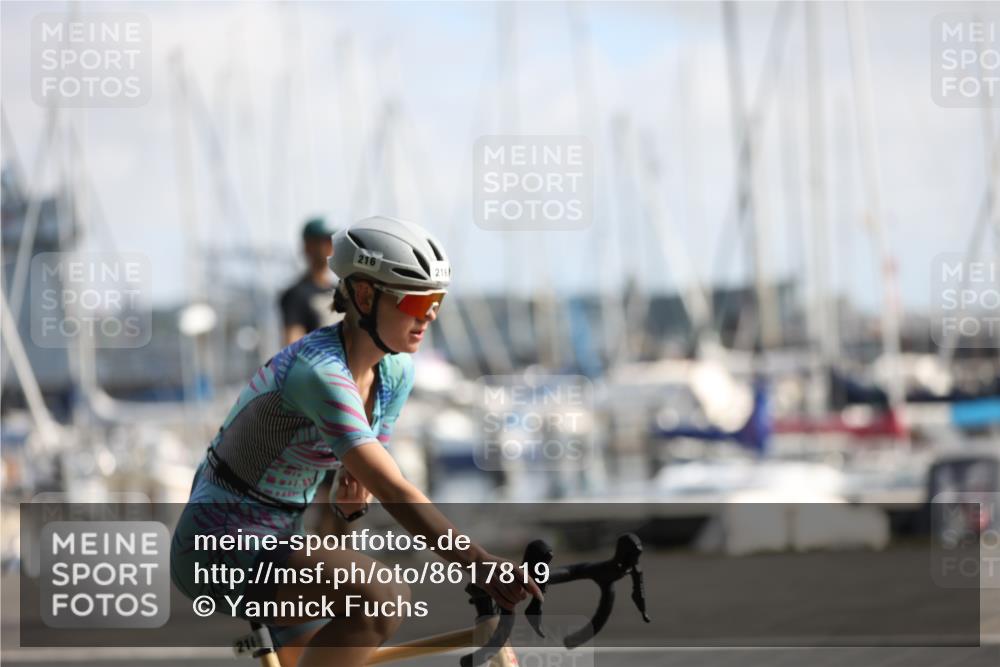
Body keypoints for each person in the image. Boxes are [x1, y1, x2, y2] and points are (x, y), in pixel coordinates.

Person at [171, 216, 542, 667]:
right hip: (218, 539)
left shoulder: (396, 370)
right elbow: (394, 488)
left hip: (285, 533)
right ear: (365, 296)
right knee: (383, 597)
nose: (429, 315)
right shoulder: (318, 372)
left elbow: (361, 481)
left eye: (438, 301)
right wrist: (479, 562)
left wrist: (349, 500)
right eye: (419, 299)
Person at [279, 217, 342, 345]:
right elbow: (293, 344)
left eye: (332, 240)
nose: (329, 245)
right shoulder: (296, 294)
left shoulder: (341, 290)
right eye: (323, 241)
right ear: (307, 246)